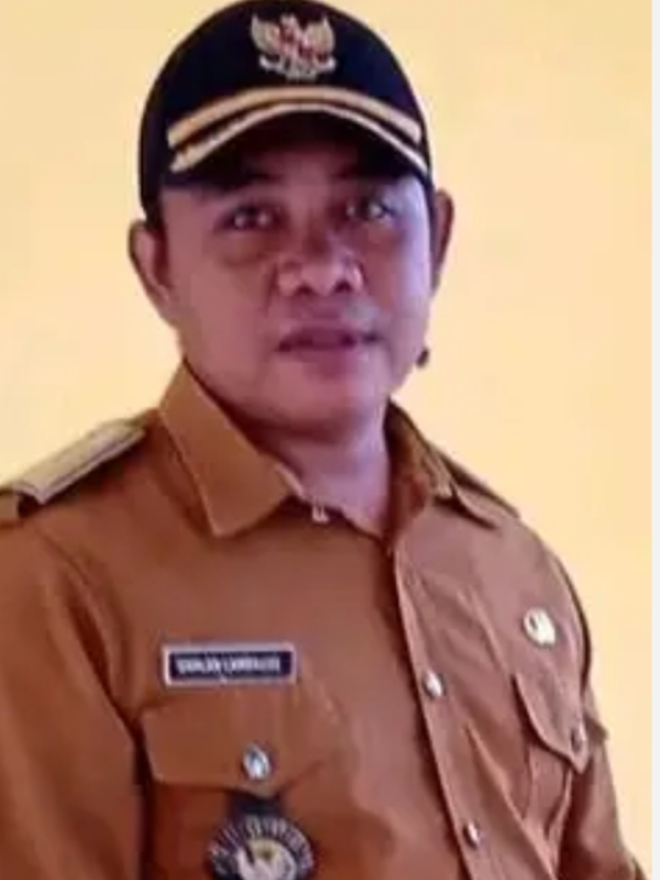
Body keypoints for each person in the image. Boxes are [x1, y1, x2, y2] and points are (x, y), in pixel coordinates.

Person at [0, 1, 645, 878]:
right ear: (157, 268)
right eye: (250, 218)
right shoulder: (54, 581)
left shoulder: (510, 566)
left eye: (367, 209)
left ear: (438, 240)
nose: (321, 268)